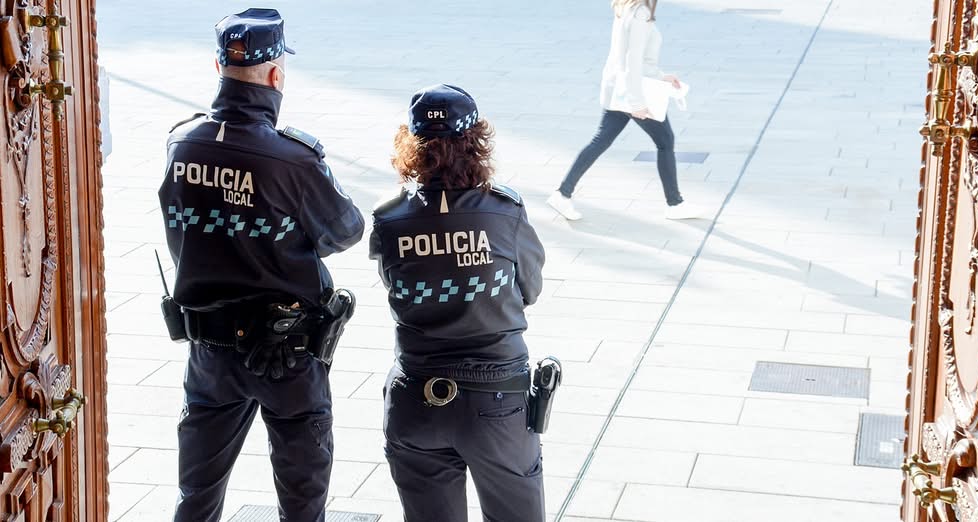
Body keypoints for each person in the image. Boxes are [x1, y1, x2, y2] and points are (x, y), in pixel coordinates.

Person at [157, 8, 365, 522]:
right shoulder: (293, 158)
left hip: (210, 351)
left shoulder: (181, 142)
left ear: (218, 66)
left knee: (196, 496)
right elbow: (346, 231)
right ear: (276, 75)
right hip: (288, 354)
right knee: (301, 498)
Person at [370, 84, 547, 521]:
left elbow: (399, 287)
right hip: (497, 400)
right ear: (476, 142)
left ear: (411, 144)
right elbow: (530, 289)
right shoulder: (506, 211)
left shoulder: (389, 219)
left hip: (417, 396)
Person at [547, 0, 698, 221]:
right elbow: (632, 60)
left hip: (618, 88)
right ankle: (674, 204)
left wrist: (661, 76)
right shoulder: (641, 13)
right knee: (665, 140)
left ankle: (563, 194)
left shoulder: (626, 7)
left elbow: (635, 58)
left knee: (601, 140)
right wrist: (636, 102)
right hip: (630, 92)